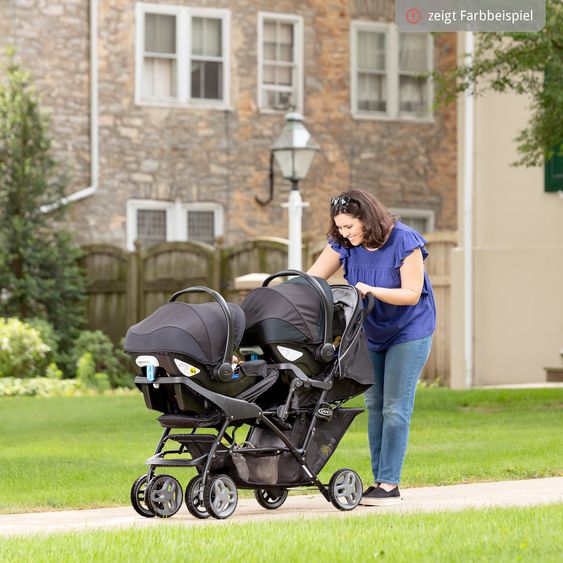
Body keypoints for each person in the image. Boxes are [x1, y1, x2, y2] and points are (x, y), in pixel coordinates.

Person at [308, 189, 435, 505]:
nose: (343, 233)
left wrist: (370, 288)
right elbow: (310, 280)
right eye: (339, 227)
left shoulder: (405, 241)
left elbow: (410, 293)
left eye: (349, 226)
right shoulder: (343, 244)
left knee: (395, 406)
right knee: (375, 404)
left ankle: (389, 485)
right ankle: (380, 483)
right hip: (369, 332)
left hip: (410, 330)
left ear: (367, 219)